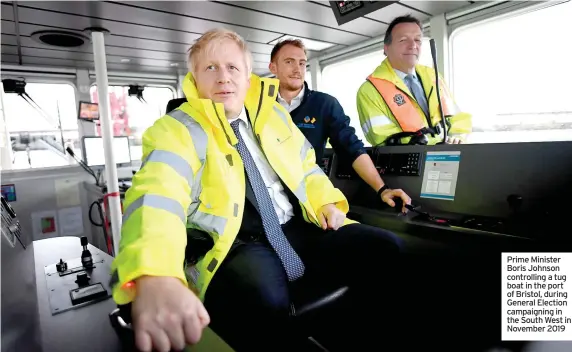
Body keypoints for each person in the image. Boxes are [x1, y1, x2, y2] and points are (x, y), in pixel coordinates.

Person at [110, 28, 404, 352]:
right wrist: (155, 273)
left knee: (386, 247)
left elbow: (306, 166)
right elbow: (157, 196)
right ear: (194, 79)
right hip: (235, 238)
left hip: (294, 224)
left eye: (232, 67)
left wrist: (326, 203)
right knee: (265, 299)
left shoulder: (273, 113)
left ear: (248, 76)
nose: (223, 78)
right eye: (210, 68)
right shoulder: (175, 130)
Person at [269, 39, 411, 212]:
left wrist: (382, 189)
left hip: (308, 199)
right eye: (289, 61)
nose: (297, 69)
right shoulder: (260, 106)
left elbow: (351, 148)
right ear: (273, 68)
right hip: (269, 199)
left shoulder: (324, 104)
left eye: (302, 63)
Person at [356, 15, 472, 146]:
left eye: (418, 40)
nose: (413, 46)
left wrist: (457, 137)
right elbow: (384, 139)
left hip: (446, 155)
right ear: (386, 48)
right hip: (408, 162)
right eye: (403, 40)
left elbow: (456, 117)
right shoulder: (369, 90)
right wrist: (436, 144)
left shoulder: (434, 76)